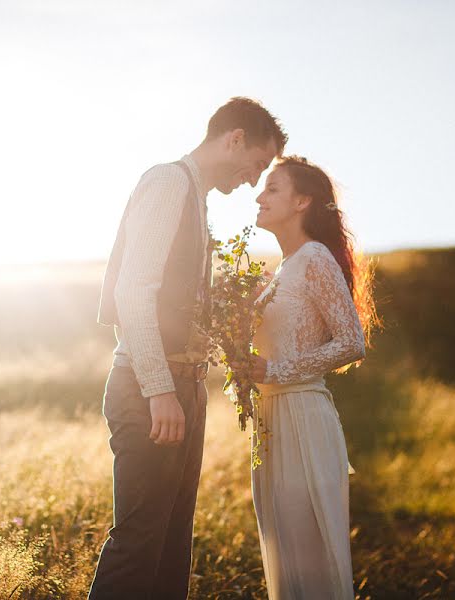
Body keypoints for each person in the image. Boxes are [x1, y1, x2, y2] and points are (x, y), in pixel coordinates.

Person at [90, 97, 287, 600]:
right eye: (257, 164)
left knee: (172, 548)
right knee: (139, 546)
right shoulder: (168, 182)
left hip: (184, 386)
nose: (252, 179)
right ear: (235, 138)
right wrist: (159, 390)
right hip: (151, 388)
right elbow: (133, 292)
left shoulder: (194, 197)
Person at [246, 155, 377, 599]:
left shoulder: (315, 258)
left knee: (312, 561)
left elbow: (352, 342)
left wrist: (276, 370)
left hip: (303, 415)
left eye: (272, 188)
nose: (259, 196)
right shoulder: (280, 271)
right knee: (285, 559)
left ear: (303, 201)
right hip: (269, 423)